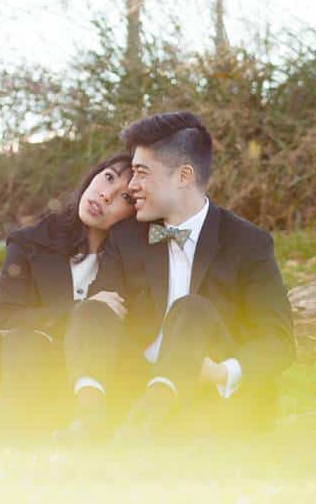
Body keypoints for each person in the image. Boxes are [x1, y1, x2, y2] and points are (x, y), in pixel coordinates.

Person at [85, 111, 295, 439]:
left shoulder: (247, 242)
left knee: (191, 308)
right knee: (92, 310)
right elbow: (101, 318)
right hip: (135, 382)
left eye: (141, 173)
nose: (131, 185)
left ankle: (151, 418)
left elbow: (278, 340)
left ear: (183, 176)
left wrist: (222, 372)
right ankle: (89, 420)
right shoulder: (126, 237)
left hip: (208, 392)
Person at [0, 152, 138, 438]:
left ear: (134, 212)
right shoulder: (31, 242)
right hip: (20, 366)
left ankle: (9, 431)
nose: (106, 195)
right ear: (93, 176)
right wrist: (78, 310)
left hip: (79, 375)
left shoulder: (129, 260)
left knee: (24, 339)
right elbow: (1, 315)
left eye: (125, 198)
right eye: (108, 178)